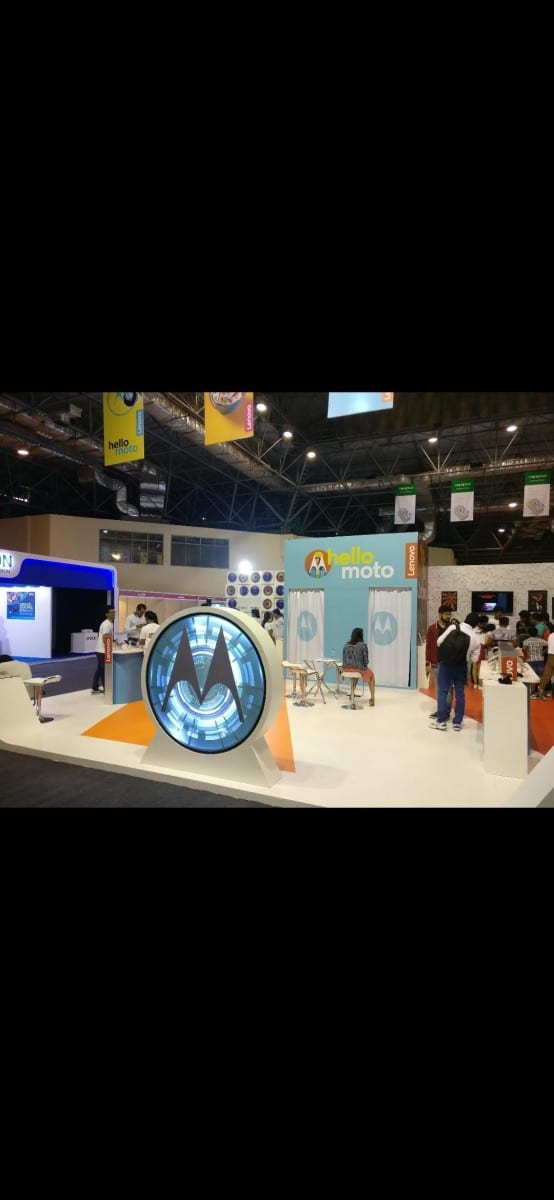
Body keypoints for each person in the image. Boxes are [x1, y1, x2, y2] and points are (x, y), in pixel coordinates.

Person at [430, 613, 480, 732]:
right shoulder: (476, 637)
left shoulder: (453, 627)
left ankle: (441, 722)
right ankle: (457, 723)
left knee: (442, 692)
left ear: (465, 619)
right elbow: (474, 659)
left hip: (446, 664)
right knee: (460, 694)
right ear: (476, 624)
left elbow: (439, 641)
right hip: (461, 667)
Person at [425, 604, 454, 718]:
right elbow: (428, 646)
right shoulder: (432, 628)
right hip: (436, 663)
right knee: (439, 689)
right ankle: (441, 711)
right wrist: (427, 663)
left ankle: (446, 712)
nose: (449, 616)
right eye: (446, 614)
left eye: (450, 614)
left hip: (449, 663)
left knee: (449, 689)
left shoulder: (452, 628)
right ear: (440, 614)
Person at [341, 627, 376, 706]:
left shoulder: (346, 644)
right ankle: (372, 698)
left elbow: (344, 658)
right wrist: (364, 665)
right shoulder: (363, 645)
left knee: (355, 676)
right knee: (371, 676)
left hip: (346, 669)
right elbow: (366, 661)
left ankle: (352, 694)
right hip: (358, 668)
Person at [91, 605, 116, 693]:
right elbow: (105, 638)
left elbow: (107, 638)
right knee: (104, 670)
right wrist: (111, 647)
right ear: (107, 614)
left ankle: (95, 687)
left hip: (101, 650)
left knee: (100, 669)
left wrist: (114, 642)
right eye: (111, 612)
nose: (113, 614)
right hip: (102, 651)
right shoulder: (107, 624)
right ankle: (106, 688)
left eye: (114, 612)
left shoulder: (110, 623)